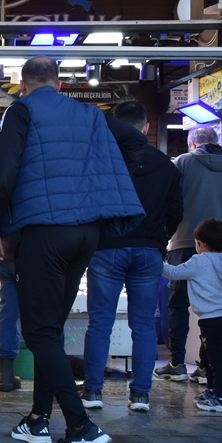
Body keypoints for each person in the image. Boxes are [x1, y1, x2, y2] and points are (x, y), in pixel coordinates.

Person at [0, 56, 144, 443]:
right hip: (87, 231)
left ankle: (80, 426)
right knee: (50, 327)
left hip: (45, 231)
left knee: (37, 330)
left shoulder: (22, 110)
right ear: (60, 81)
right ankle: (38, 420)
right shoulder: (91, 113)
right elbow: (121, 152)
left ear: (23, 84)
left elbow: (4, 172)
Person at [80, 102, 183, 412]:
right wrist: (159, 238)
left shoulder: (103, 159)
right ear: (147, 127)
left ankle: (94, 391)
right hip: (149, 250)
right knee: (142, 325)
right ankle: (140, 394)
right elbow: (176, 211)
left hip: (107, 248)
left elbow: (89, 203)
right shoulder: (167, 166)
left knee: (100, 323)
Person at [156, 125, 222, 382]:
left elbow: (169, 199)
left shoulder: (184, 162)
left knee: (177, 304)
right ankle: (205, 366)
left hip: (187, 240)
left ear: (193, 144)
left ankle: (176, 362)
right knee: (217, 306)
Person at [162, 219, 222, 413]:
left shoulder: (199, 261)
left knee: (217, 360)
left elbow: (174, 272)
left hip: (212, 319)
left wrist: (155, 260)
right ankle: (212, 391)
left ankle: (221, 399)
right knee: (207, 357)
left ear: (201, 243)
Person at [0, 246, 22, 392]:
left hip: (6, 251)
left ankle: (5, 377)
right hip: (41, 251)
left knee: (8, 311)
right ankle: (52, 378)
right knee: (48, 312)